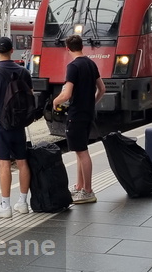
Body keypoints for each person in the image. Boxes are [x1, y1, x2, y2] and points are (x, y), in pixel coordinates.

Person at [52, 34, 105, 203]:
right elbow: (102, 89)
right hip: (88, 113)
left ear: (67, 48)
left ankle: (88, 191)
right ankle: (79, 186)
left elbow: (67, 93)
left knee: (82, 152)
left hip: (76, 114)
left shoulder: (73, 66)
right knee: (79, 150)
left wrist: (55, 101)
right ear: (82, 46)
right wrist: (91, 103)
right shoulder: (90, 63)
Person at [0, 37, 33, 217]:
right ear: (12, 50)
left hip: (0, 123)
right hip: (18, 123)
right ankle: (23, 203)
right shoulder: (24, 72)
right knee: (22, 161)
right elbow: (29, 97)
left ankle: (5, 206)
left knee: (4, 163)